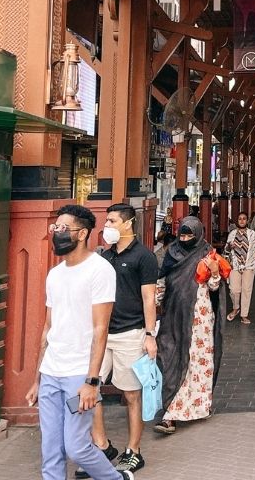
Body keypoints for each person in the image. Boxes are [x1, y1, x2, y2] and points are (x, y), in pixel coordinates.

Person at [25, 205, 133, 480]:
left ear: (82, 233)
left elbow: (101, 329)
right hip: (51, 373)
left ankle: (117, 478)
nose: (57, 233)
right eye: (55, 228)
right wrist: (38, 378)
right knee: (51, 449)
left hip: (78, 375)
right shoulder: (55, 274)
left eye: (63, 228)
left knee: (77, 446)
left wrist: (92, 381)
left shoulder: (99, 270)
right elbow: (48, 327)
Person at [79, 204, 157, 476]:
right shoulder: (105, 256)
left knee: (132, 394)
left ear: (128, 223)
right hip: (102, 334)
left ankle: (134, 450)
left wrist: (150, 334)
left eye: (112, 221)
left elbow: (149, 297)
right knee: (91, 389)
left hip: (130, 334)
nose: (107, 226)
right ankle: (101, 445)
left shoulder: (144, 257)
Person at [154, 218, 229, 435]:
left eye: (189, 236)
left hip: (199, 321)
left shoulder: (207, 254)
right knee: (171, 360)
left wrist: (214, 272)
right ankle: (171, 410)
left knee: (195, 363)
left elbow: (215, 287)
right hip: (173, 317)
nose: (185, 240)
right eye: (182, 236)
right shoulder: (171, 254)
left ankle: (183, 412)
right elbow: (162, 281)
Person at [225, 211, 255, 323]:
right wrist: (229, 246)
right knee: (234, 290)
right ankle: (235, 308)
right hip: (235, 265)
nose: (242, 220)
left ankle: (244, 315)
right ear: (237, 221)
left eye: (244, 218)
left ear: (247, 221)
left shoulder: (252, 234)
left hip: (249, 265)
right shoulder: (232, 234)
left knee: (246, 290)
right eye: (239, 219)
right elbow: (226, 251)